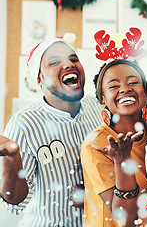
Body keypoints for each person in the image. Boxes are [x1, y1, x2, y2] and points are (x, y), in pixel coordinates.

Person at [0, 34, 103, 226]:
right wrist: (12, 158)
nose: (70, 65)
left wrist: (92, 191)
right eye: (55, 62)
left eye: (74, 59)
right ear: (40, 78)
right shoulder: (24, 124)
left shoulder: (99, 108)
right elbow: (13, 203)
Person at [81, 28, 147, 226]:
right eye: (113, 85)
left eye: (133, 82)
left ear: (145, 93)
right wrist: (122, 161)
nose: (125, 88)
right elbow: (124, 216)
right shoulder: (96, 143)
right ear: (103, 100)